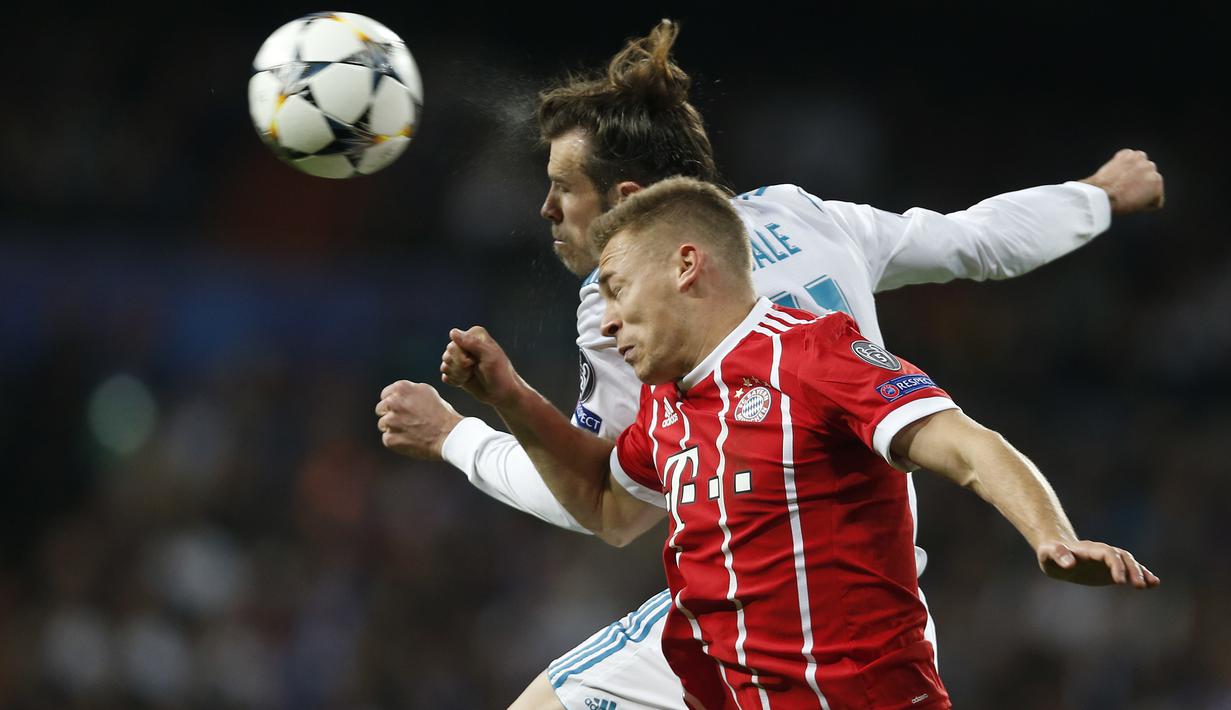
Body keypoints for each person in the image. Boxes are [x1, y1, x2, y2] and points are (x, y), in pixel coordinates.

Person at [374, 20, 1165, 710]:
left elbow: (606, 512)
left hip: (813, 611)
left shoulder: (650, 316)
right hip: (754, 606)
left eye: (561, 189)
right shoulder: (802, 216)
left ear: (631, 206)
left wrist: (455, 439)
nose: (546, 210)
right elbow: (973, 239)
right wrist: (1093, 196)